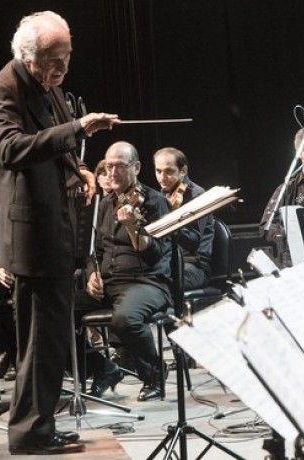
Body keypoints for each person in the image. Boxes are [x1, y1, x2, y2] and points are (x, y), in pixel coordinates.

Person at [0, 10, 119, 455]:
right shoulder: (4, 88)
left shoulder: (50, 85)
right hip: (31, 232)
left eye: (67, 58)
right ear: (28, 56)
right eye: (53, 60)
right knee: (39, 339)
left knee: (52, 335)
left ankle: (38, 427)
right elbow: (9, 149)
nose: (62, 70)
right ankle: (29, 434)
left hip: (55, 226)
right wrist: (77, 128)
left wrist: (79, 168)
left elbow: (60, 146)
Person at [75, 141, 173, 401]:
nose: (112, 172)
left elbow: (154, 255)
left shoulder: (155, 202)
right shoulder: (105, 205)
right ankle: (102, 368)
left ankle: (154, 374)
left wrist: (132, 227)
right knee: (55, 312)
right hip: (110, 282)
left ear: (136, 168)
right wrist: (92, 274)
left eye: (119, 166)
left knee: (125, 319)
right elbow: (94, 251)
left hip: (147, 283)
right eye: (108, 166)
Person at [259, 127, 304, 267]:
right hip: (297, 261)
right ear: (300, 153)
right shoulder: (288, 189)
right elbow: (266, 226)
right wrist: (291, 233)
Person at [154, 147, 214, 290]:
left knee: (160, 285)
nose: (162, 177)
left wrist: (170, 219)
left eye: (169, 171)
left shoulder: (197, 196)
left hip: (194, 267)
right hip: (168, 263)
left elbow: (192, 244)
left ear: (183, 171)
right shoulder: (160, 196)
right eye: (158, 171)